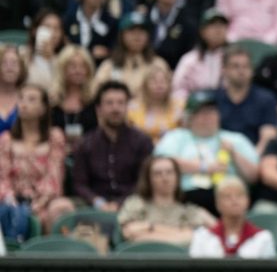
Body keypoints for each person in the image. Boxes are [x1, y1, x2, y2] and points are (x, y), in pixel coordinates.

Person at [155, 90, 260, 215]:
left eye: (211, 112)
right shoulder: (176, 137)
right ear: (190, 117)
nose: (208, 117)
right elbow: (161, 162)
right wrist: (204, 167)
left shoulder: (235, 139)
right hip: (187, 198)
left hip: (229, 199)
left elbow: (254, 176)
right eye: (201, 113)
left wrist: (234, 154)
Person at [0, 84, 73, 237]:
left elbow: (54, 176)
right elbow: (3, 177)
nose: (24, 104)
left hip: (44, 201)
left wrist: (37, 203)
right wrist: (10, 197)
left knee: (61, 207)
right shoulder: (6, 139)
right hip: (11, 200)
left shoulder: (55, 137)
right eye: (21, 99)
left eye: (32, 99)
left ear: (43, 108)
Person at [71, 80, 155, 212]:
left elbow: (144, 182)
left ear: (127, 107)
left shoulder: (142, 141)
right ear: (99, 109)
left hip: (134, 204)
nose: (115, 108)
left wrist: (120, 203)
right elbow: (79, 183)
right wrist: (98, 202)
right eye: (109, 103)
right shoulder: (86, 143)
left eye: (121, 103)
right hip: (93, 204)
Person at [117, 155, 214, 246]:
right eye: (157, 173)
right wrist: (178, 233)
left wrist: (149, 228)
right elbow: (129, 232)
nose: (165, 178)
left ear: (177, 177)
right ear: (148, 178)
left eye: (169, 172)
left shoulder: (188, 210)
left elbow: (193, 237)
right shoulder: (136, 203)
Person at [189, 177, 277, 259]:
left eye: (239, 195)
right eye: (227, 196)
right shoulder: (202, 237)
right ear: (217, 204)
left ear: (248, 201)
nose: (234, 200)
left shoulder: (263, 238)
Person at [172, 8, 228, 100]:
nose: (218, 30)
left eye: (222, 25)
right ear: (202, 31)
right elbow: (178, 89)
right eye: (213, 25)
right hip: (196, 108)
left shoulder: (234, 58)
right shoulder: (190, 60)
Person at [127, 62, 185, 144]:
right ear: (145, 85)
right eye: (154, 81)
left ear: (169, 84)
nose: (159, 85)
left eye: (163, 81)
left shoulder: (179, 106)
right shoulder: (132, 107)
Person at [51, 46, 98, 146]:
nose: (78, 71)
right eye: (72, 66)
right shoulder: (52, 101)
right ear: (62, 69)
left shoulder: (95, 99)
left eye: (83, 66)